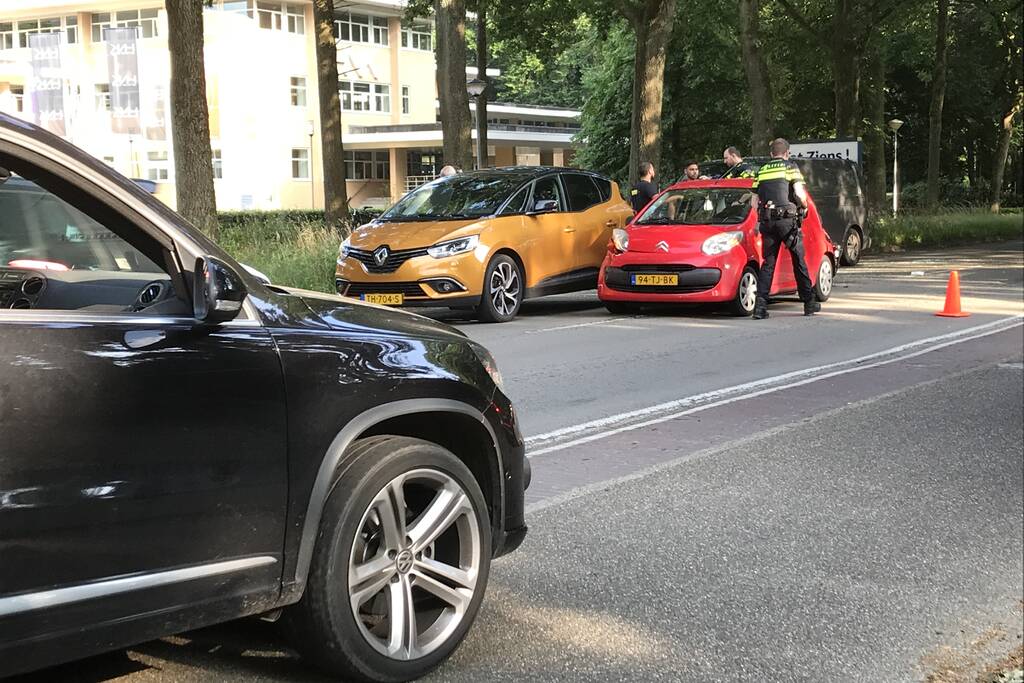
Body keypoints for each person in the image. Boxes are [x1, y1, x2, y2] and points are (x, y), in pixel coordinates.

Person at [750, 137, 820, 319]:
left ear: (771, 153)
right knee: (798, 260)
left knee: (768, 264)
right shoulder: (790, 167)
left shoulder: (762, 170)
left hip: (767, 222)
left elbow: (753, 201)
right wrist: (804, 207)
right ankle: (809, 303)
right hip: (787, 222)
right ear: (787, 152)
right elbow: (798, 192)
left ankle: (760, 307)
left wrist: (759, 220)